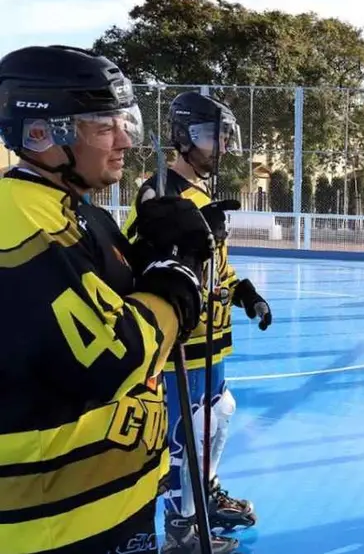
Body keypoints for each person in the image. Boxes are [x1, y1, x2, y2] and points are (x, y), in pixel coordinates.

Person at [0, 45, 212, 553]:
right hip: (55, 523)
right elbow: (114, 356)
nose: (124, 141)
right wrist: (178, 280)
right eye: (102, 127)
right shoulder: (19, 220)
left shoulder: (77, 211)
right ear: (41, 133)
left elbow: (115, 294)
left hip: (107, 503)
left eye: (124, 122)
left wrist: (154, 253)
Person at [123, 91, 270, 553]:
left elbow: (216, 265)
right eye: (211, 136)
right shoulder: (160, 192)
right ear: (184, 137)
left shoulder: (203, 194)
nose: (221, 146)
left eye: (225, 136)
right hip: (182, 343)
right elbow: (137, 261)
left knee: (217, 417)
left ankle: (202, 495)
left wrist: (243, 291)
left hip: (214, 340)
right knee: (185, 435)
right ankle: (180, 528)